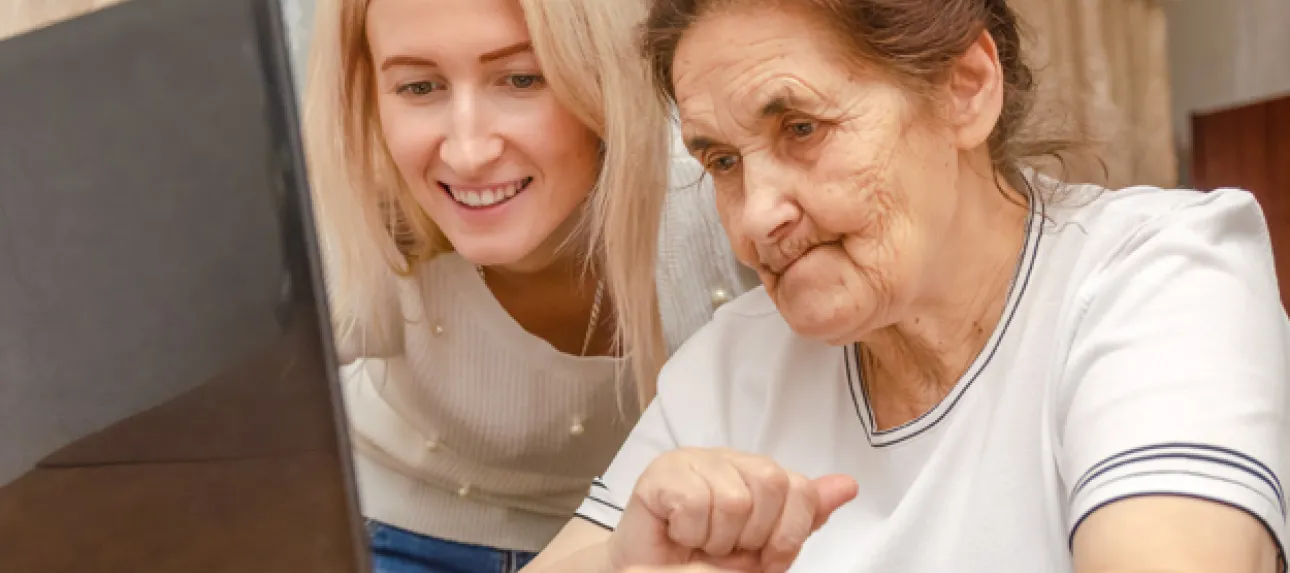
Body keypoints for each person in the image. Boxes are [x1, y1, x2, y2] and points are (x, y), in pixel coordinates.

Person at [522, 0, 1290, 572]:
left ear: (966, 87)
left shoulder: (1160, 275)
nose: (755, 217)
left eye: (801, 128)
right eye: (722, 161)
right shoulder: (730, 365)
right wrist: (624, 561)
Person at [301, 0, 757, 570]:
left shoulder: (717, 187)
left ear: (607, 80)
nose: (468, 153)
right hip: (396, 529)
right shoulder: (354, 208)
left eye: (521, 79)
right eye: (419, 87)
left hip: (658, 539)